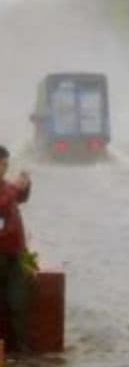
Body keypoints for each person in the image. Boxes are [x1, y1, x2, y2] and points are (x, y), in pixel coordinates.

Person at [0, 146, 32, 353]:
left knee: (17, 303)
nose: (4, 168)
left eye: (5, 164)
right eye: (1, 164)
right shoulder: (6, 189)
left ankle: (20, 350)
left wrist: (25, 185)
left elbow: (20, 197)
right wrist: (14, 189)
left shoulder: (5, 186)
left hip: (15, 252)